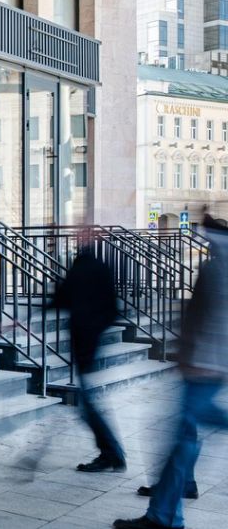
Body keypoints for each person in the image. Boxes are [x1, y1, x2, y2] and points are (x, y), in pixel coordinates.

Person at [114, 216, 228, 529]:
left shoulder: (215, 267)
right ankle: (176, 496)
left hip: (203, 365)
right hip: (213, 364)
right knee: (186, 435)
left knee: (181, 440)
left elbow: (208, 317)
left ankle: (163, 516)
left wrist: (190, 354)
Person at [51, 235, 126, 473]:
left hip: (86, 342)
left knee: (87, 404)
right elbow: (65, 298)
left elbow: (62, 297)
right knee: (87, 403)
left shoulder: (86, 267)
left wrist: (90, 330)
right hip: (87, 341)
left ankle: (111, 453)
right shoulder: (92, 265)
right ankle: (112, 452)